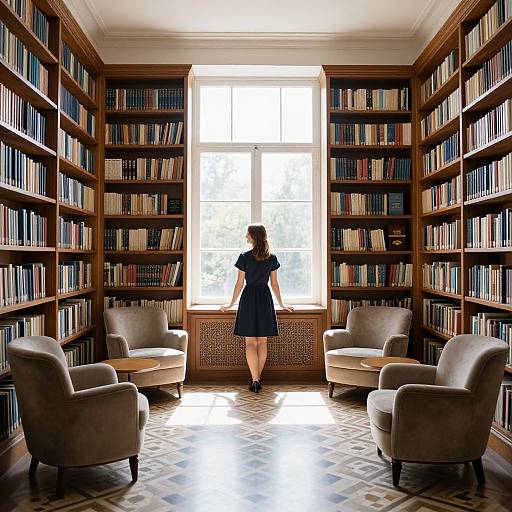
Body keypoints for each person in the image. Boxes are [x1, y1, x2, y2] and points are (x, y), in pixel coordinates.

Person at [220, 224, 293, 392]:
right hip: (265, 298)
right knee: (262, 342)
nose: (245, 236)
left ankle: (255, 380)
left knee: (250, 343)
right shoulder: (271, 257)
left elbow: (239, 284)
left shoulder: (244, 257)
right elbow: (274, 284)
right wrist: (281, 304)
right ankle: (257, 379)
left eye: (247, 233)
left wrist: (231, 304)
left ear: (253, 236)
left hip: (248, 298)